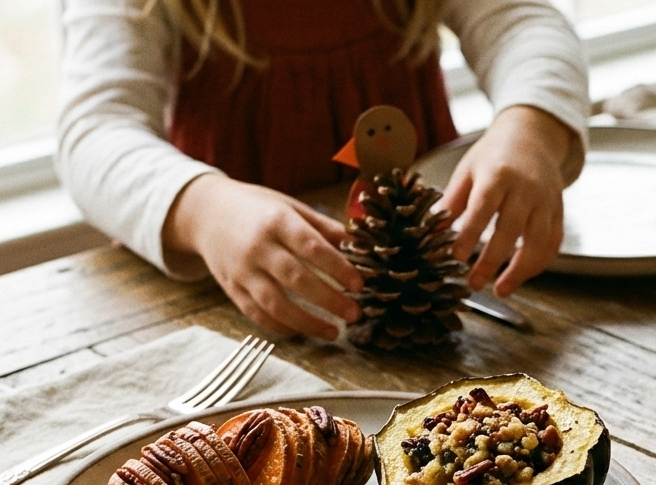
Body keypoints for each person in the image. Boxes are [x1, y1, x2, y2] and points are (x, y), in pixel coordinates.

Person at [57, 0, 589, 341]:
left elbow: (523, 21)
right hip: (229, 320)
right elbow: (94, 131)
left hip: (440, 312)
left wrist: (531, 127)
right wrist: (202, 209)